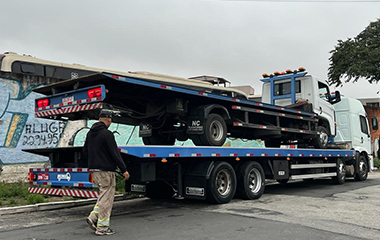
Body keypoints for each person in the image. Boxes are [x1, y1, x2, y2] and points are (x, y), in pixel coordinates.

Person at [82, 109, 130, 236]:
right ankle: (102, 228)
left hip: (95, 171)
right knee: (107, 199)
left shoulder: (90, 134)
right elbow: (114, 153)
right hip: (106, 171)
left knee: (103, 196)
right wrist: (124, 169)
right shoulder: (107, 134)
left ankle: (93, 217)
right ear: (109, 120)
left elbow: (85, 151)